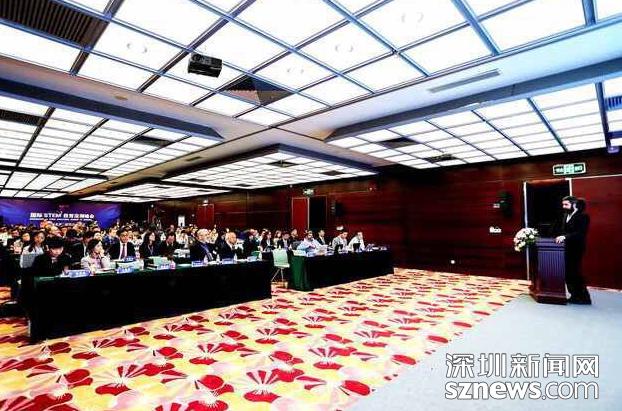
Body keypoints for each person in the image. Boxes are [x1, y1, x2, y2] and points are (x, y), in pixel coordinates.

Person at [555, 196, 591, 304]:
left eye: (566, 204)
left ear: (574, 204)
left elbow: (580, 233)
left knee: (575, 273)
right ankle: (574, 295)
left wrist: (565, 237)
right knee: (568, 273)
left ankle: (584, 298)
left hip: (576, 249)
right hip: (566, 248)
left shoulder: (583, 216)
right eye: (563, 204)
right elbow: (563, 230)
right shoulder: (566, 215)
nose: (564, 207)